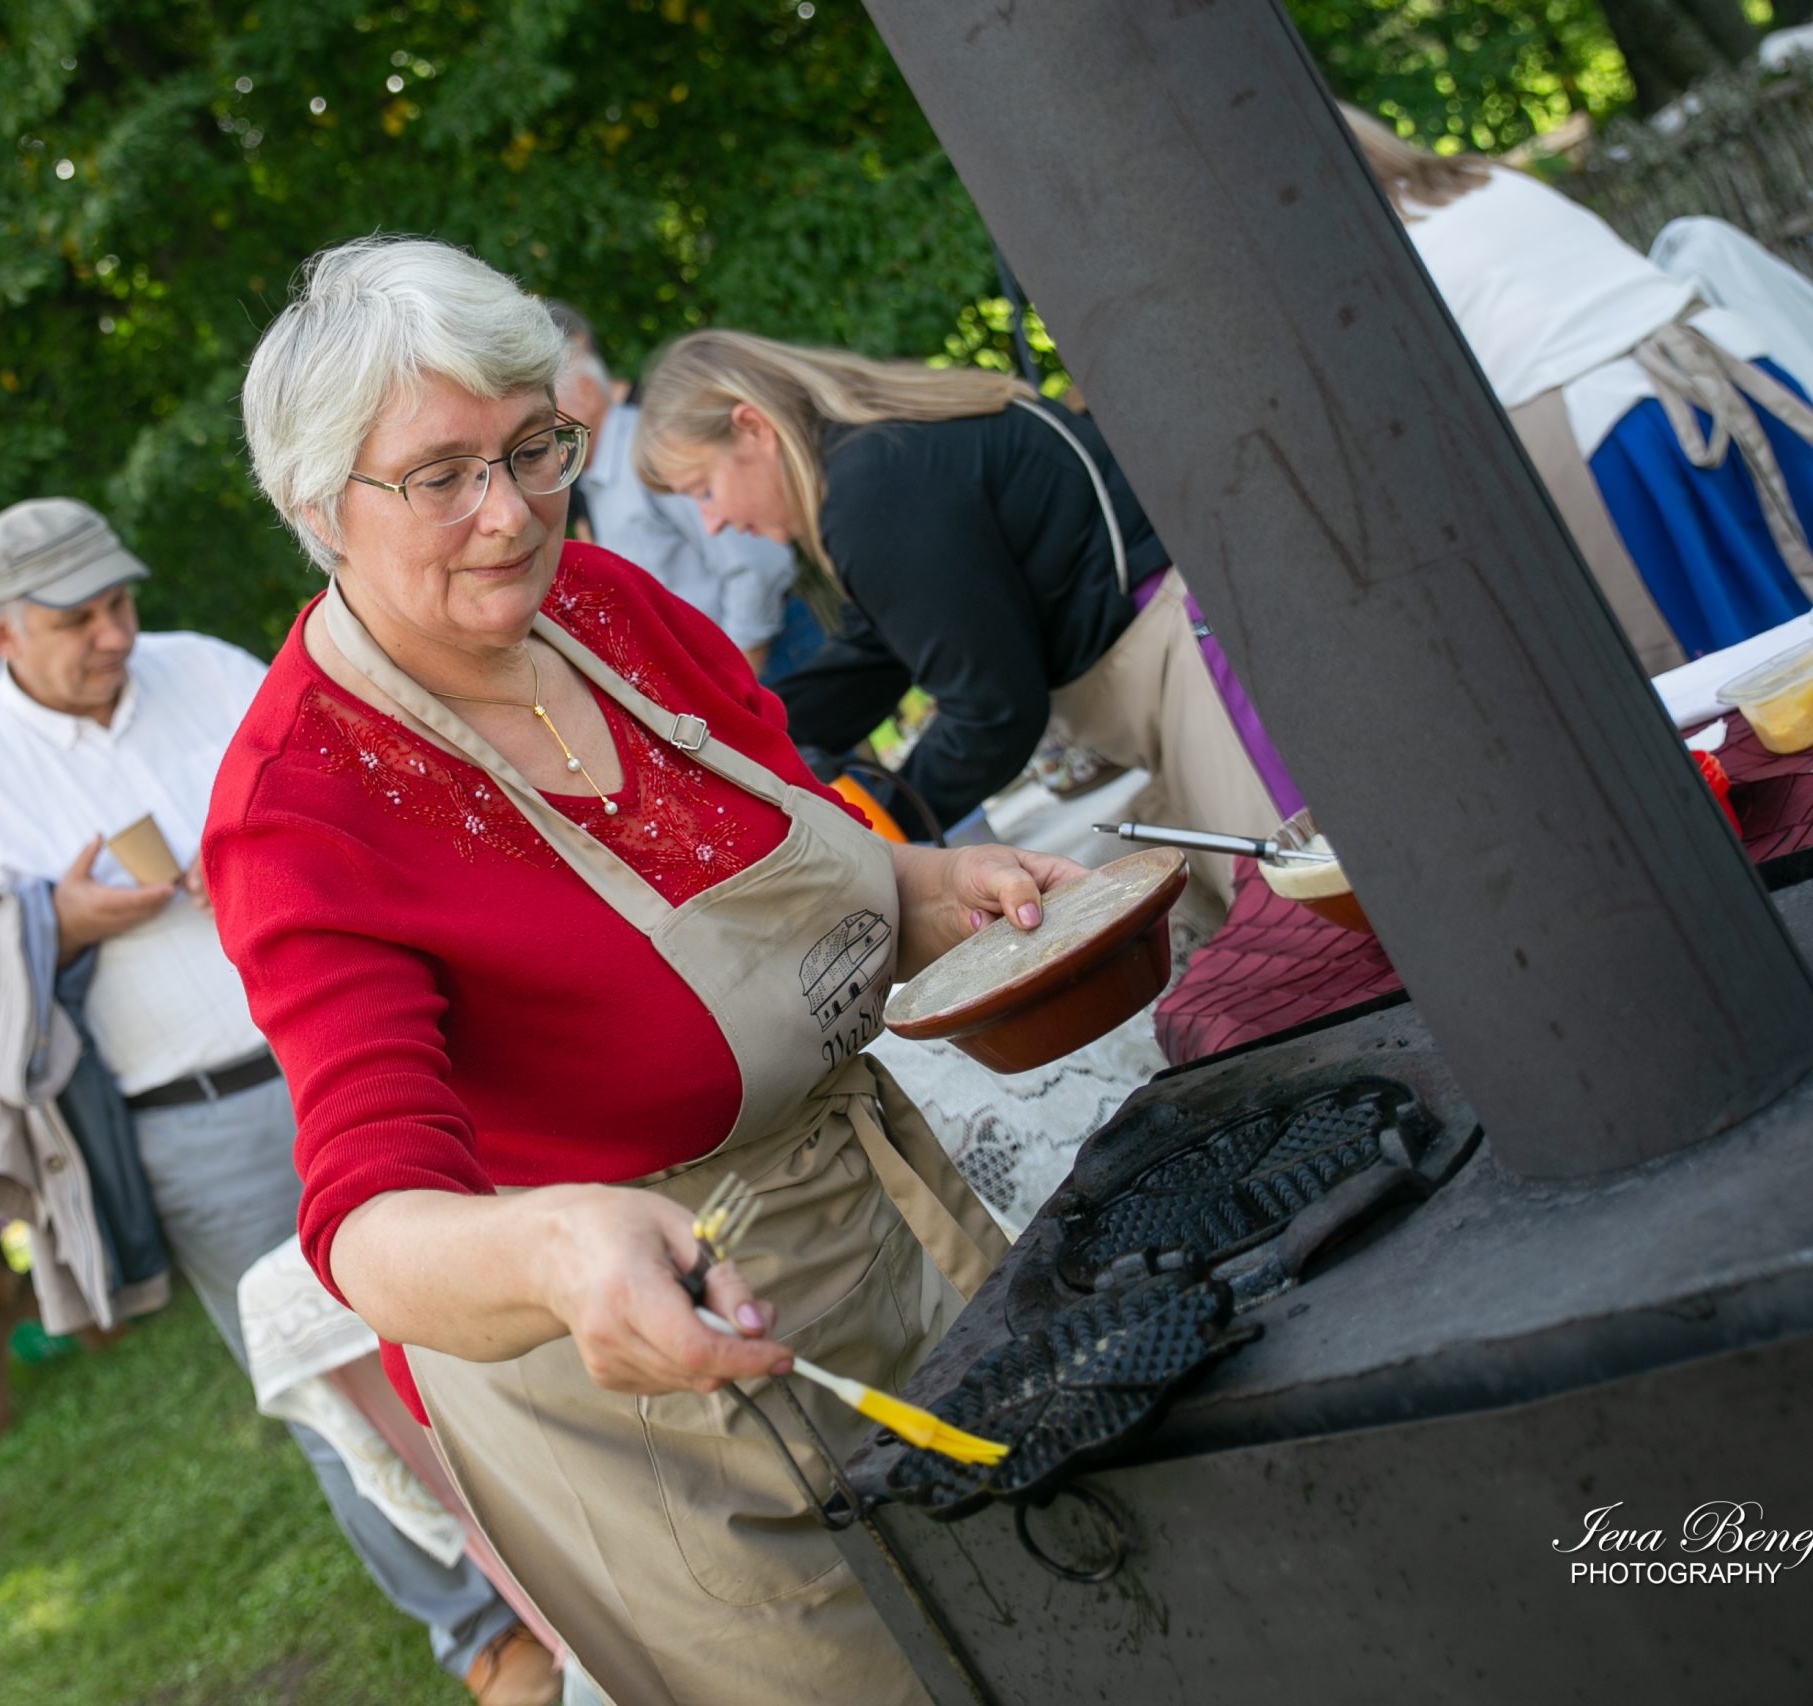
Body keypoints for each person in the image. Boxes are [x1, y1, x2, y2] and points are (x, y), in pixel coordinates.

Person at [208, 236, 1073, 1706]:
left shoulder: (607, 605)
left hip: (885, 1234)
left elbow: (800, 842)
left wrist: (935, 889)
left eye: (532, 446)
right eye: (440, 475)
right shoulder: (301, 804)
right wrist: (558, 1244)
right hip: (655, 1397)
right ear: (315, 505)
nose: (509, 512)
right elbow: (367, 1219)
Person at [0, 498, 552, 1706]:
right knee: (338, 1385)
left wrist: (271, 846)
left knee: (487, 1300)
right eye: (77, 619)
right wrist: (58, 921)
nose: (113, 633)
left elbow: (353, 779)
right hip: (195, 1123)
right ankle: (483, 1634)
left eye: (118, 602)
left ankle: (576, 1551)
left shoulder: (201, 668)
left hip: (361, 1051)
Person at [631, 329, 1296, 925]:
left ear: (752, 428)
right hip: (1181, 657)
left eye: (703, 489)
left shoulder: (871, 489)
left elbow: (994, 712)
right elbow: (876, 650)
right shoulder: (881, 454)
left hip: (1199, 666)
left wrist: (867, 834)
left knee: (1309, 932)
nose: (712, 522)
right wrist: (741, 735)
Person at [1342, 106, 1813, 665]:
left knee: (1745, 668)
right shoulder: (1485, 178)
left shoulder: (1374, 254)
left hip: (1626, 440)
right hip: (1731, 375)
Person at [544, 303, 802, 675]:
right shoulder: (593, 475)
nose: (537, 433)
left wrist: (736, 679)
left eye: (545, 412)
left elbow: (757, 562)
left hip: (772, 657)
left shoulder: (652, 451)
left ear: (587, 391)